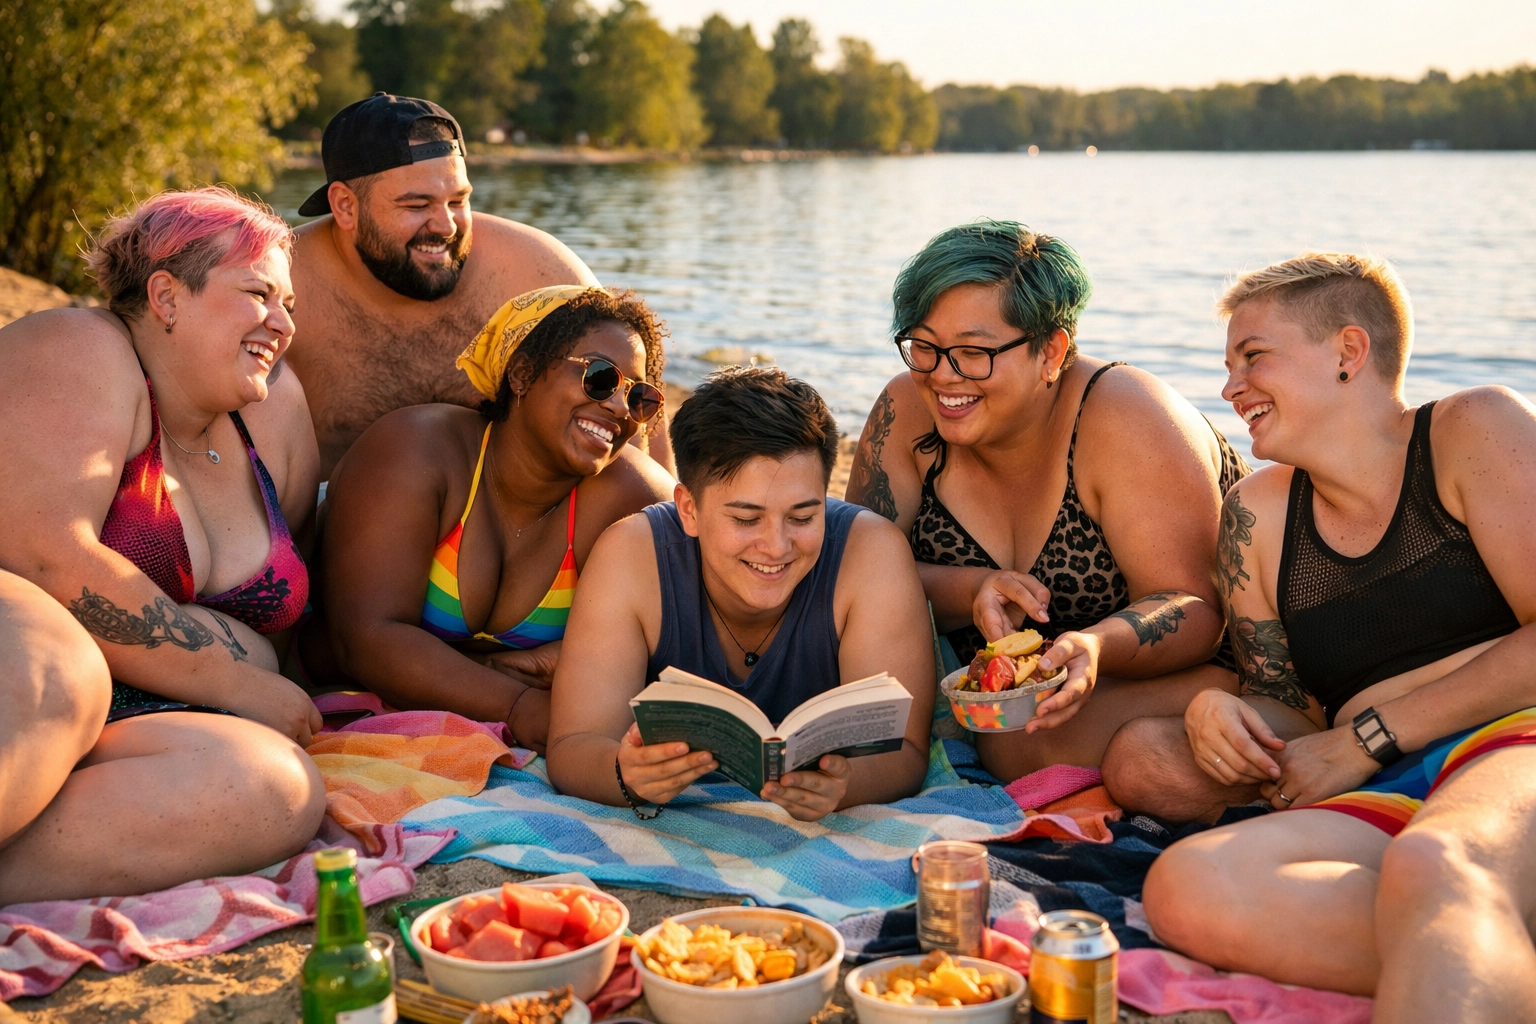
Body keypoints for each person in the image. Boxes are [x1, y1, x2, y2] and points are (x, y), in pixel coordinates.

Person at [1135, 253, 1536, 1018]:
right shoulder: (1254, 515)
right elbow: (1295, 711)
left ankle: (1467, 924)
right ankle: (1486, 947)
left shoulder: (1473, 429)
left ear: (1349, 352)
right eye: (1228, 366)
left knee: (1437, 861)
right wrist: (1221, 713)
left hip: (1513, 743)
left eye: (1254, 357)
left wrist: (1370, 736)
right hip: (1387, 783)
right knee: (1190, 885)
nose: (1230, 388)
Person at [0, 188, 326, 901]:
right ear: (167, 297)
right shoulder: (81, 347)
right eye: (258, 294)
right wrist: (239, 679)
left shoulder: (274, 410)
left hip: (142, 717)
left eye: (289, 305)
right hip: (25, 664)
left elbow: (295, 616)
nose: (282, 323)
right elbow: (44, 556)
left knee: (274, 787)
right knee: (62, 677)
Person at [845, 220, 1250, 781]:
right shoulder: (905, 412)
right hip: (1023, 700)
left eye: (973, 352)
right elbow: (854, 569)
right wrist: (972, 588)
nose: (942, 376)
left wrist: (1098, 646)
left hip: (1205, 671)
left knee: (1016, 744)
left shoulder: (1127, 416)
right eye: (924, 346)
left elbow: (1197, 609)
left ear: (1050, 352)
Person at [545, 367, 935, 822]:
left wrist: (844, 787)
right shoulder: (632, 555)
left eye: (803, 517)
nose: (776, 546)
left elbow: (904, 750)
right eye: (746, 519)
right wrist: (625, 774)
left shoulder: (871, 552)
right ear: (689, 509)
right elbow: (574, 745)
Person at [320, 286, 675, 752]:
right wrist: (520, 705)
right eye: (600, 378)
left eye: (639, 397)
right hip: (341, 695)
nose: (618, 408)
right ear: (522, 374)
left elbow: (677, 647)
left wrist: (571, 658)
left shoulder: (632, 498)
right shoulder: (416, 451)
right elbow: (365, 640)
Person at [284, 92, 672, 478]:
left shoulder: (536, 273)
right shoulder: (280, 285)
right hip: (327, 507)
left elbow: (641, 433)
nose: (446, 226)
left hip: (503, 505)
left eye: (458, 201)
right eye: (417, 206)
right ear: (345, 206)